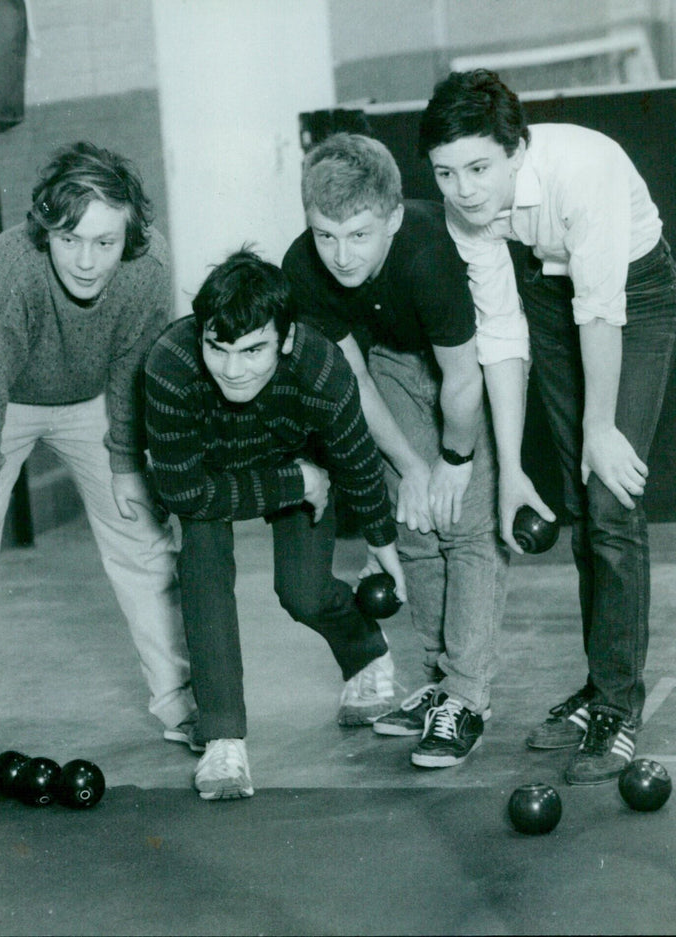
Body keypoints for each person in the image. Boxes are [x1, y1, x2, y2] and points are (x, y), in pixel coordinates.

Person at [0, 141, 197, 790]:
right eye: (71, 239)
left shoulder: (149, 266)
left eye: (105, 242)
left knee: (142, 538)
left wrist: (124, 462)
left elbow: (134, 363)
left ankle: (185, 704)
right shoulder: (11, 265)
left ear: (131, 235)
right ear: (46, 228)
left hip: (90, 398)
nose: (87, 261)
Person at [419, 69, 676, 785]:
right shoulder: (462, 212)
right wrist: (510, 474)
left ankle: (620, 706)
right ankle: (601, 683)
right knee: (574, 497)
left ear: (515, 149)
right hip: (548, 285)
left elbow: (603, 306)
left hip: (635, 291)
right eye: (445, 173)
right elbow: (501, 338)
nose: (464, 189)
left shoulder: (581, 171)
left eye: (478, 167)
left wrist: (601, 423)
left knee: (609, 499)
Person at [144, 249, 407, 800]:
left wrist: (382, 539)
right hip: (222, 480)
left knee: (303, 592)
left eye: (252, 350)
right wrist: (297, 482)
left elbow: (356, 455)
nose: (232, 369)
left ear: (285, 339)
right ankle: (221, 738)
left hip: (301, 459)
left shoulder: (320, 365)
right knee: (204, 570)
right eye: (218, 349)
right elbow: (182, 491)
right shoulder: (169, 362)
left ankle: (365, 650)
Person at [283, 133, 509, 770]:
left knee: (464, 525)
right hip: (385, 361)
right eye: (325, 235)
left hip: (466, 361)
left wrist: (453, 464)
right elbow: (352, 377)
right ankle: (441, 680)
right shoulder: (302, 267)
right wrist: (412, 467)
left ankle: (468, 693)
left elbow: (464, 378)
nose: (340, 256)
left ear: (393, 218)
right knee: (413, 524)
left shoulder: (426, 253)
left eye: (358, 235)